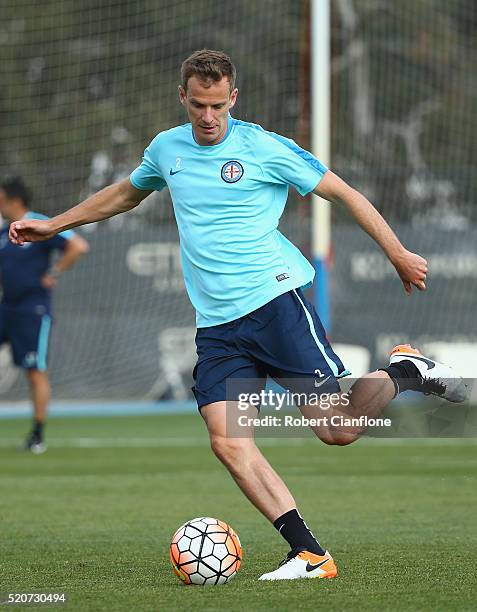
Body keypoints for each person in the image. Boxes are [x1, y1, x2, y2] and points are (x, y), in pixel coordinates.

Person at [9, 51, 467, 577]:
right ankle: (310, 553)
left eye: (218, 106)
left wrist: (398, 253)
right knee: (227, 440)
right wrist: (56, 224)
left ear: (234, 98)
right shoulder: (166, 148)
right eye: (198, 105)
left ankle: (404, 371)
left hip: (276, 304)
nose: (207, 117)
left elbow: (344, 193)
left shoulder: (264, 148)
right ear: (183, 97)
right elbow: (124, 194)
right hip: (218, 327)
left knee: (338, 430)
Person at [0, 177, 89, 453]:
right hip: (6, 307)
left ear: (14, 201)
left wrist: (54, 272)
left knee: (35, 372)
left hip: (33, 310)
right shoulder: (5, 233)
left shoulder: (38, 223)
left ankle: (37, 435)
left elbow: (78, 246)